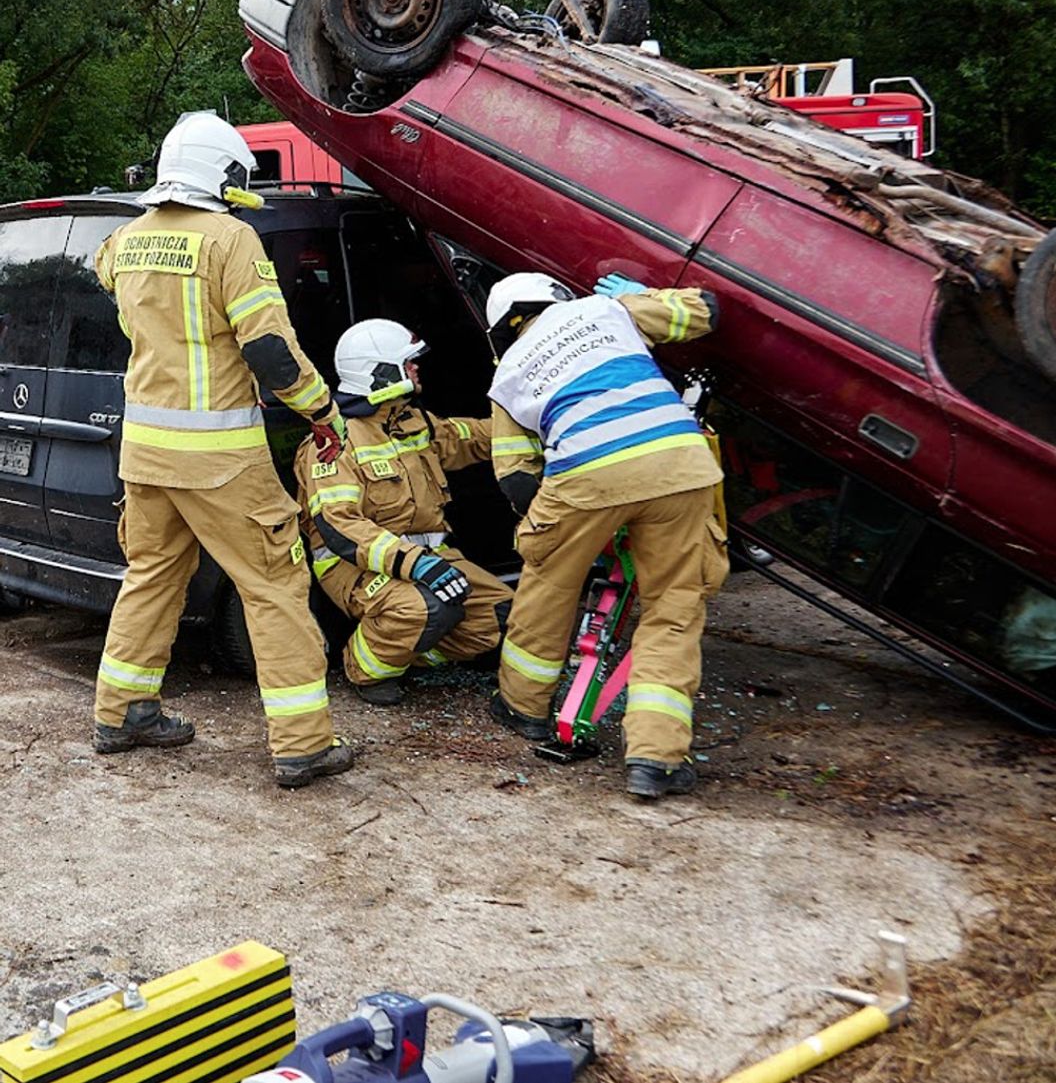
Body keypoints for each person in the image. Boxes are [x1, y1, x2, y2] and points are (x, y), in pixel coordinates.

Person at [92, 111, 354, 790]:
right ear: (223, 175)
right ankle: (303, 743)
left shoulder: (123, 240)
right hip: (218, 458)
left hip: (145, 454)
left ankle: (123, 712)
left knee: (152, 575)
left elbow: (111, 281)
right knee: (274, 584)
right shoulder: (230, 239)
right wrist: (322, 410)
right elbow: (269, 350)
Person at [485, 270, 729, 799]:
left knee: (548, 584)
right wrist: (637, 297)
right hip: (678, 463)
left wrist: (564, 533)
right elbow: (706, 309)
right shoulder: (605, 310)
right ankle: (655, 759)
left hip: (584, 474)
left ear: (505, 327)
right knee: (673, 607)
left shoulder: (507, 373)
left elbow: (517, 477)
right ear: (556, 298)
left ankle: (523, 708)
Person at [295, 318, 509, 704]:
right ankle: (363, 670)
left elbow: (470, 437)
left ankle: (407, 654)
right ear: (379, 372)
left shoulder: (411, 422)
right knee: (423, 608)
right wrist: (416, 565)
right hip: (356, 567)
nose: (416, 368)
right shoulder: (333, 441)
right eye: (408, 362)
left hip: (427, 558)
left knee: (501, 614)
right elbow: (341, 526)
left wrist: (535, 422)